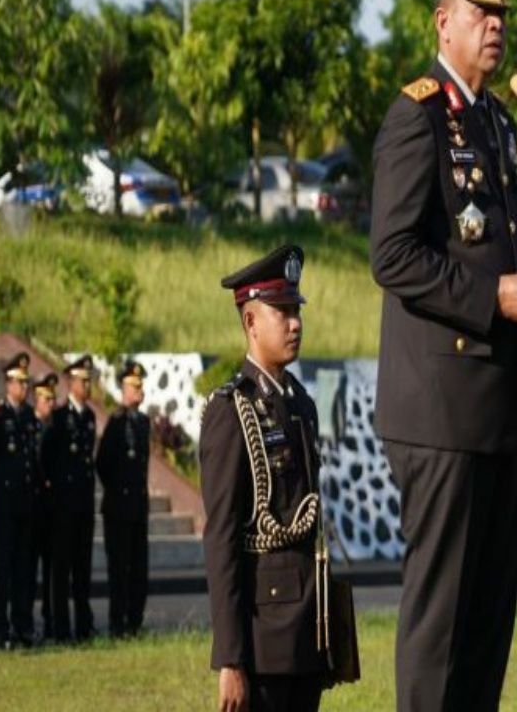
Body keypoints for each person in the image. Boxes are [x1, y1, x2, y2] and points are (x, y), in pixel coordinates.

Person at [369, 0, 517, 710]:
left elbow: (491, 252)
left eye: (502, 13)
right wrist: (494, 299)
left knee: (489, 623)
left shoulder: (493, 123)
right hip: (439, 413)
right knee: (440, 624)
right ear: (443, 22)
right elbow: (392, 256)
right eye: (479, 10)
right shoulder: (416, 118)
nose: (496, 25)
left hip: (495, 409)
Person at [200, 244, 330, 712]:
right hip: (264, 639)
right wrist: (231, 660)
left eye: (297, 311)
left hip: (308, 631)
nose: (295, 323)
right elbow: (222, 540)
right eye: (282, 313)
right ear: (251, 322)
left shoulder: (301, 405)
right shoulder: (230, 411)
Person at [0, 352, 41, 648]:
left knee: (23, 570)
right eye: (20, 382)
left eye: (27, 382)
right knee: (2, 570)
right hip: (4, 504)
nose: (25, 387)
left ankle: (22, 625)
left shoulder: (28, 417)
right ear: (8, 384)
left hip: (26, 505)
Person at [44, 356, 97, 642]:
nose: (87, 385)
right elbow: (46, 457)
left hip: (83, 506)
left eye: (89, 380)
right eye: (82, 380)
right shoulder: (60, 417)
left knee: (82, 569)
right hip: (63, 506)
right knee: (61, 571)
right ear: (70, 383)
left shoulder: (88, 418)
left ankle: (83, 626)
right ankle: (61, 628)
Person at [96, 360, 150, 637]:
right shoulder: (116, 423)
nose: (139, 391)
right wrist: (117, 492)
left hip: (138, 507)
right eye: (134, 387)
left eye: (141, 386)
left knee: (139, 569)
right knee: (119, 570)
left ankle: (134, 622)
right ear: (123, 389)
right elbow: (103, 463)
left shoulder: (143, 423)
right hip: (118, 508)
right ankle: (118, 624)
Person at [32, 373, 58, 640]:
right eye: (46, 398)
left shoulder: (56, 427)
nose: (51, 403)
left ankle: (50, 618)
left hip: (51, 510)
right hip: (31, 508)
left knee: (52, 569)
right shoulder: (30, 425)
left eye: (53, 398)